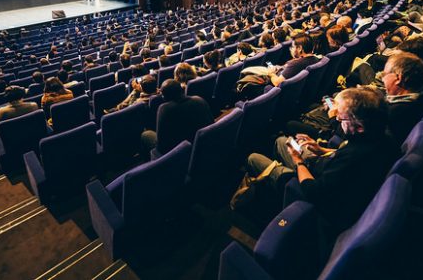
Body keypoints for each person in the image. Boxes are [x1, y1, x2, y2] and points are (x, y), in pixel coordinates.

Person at [246, 87, 398, 232]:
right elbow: (341, 155)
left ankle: (266, 202)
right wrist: (321, 150)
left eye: (341, 117)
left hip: (309, 188)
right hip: (324, 166)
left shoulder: (353, 156)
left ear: (359, 127)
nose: (337, 118)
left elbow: (313, 191)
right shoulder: (382, 137)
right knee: (280, 141)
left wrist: (298, 161)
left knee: (253, 158)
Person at [141, 79, 214, 157]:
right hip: (203, 145)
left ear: (164, 97)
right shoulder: (198, 99)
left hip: (179, 153)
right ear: (182, 90)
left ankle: (154, 165)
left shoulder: (165, 109)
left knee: (146, 134)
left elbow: (161, 145)